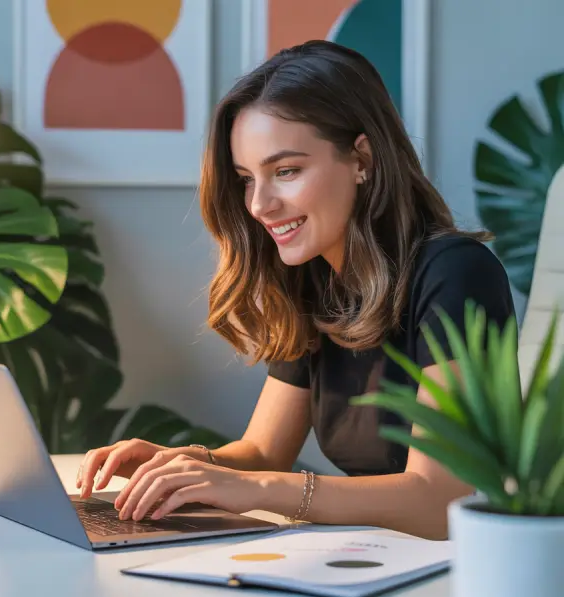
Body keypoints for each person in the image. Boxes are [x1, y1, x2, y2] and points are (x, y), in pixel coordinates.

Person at [75, 40, 516, 541]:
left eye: (285, 171)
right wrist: (186, 463)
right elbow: (263, 453)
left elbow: (441, 501)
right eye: (246, 178)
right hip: (370, 554)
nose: (259, 204)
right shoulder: (316, 279)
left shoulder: (456, 274)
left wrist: (262, 488)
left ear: (361, 159)